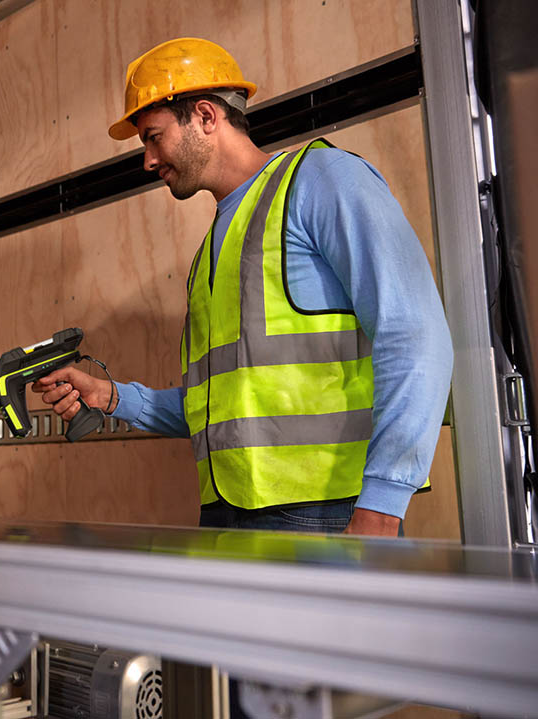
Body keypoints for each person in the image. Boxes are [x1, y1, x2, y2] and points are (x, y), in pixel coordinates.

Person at [32, 38, 453, 537]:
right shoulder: (213, 250)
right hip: (228, 516)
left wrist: (383, 504)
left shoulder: (321, 180)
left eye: (153, 137)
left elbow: (415, 336)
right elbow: (218, 408)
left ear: (206, 117)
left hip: (329, 514)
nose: (147, 160)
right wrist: (111, 396)